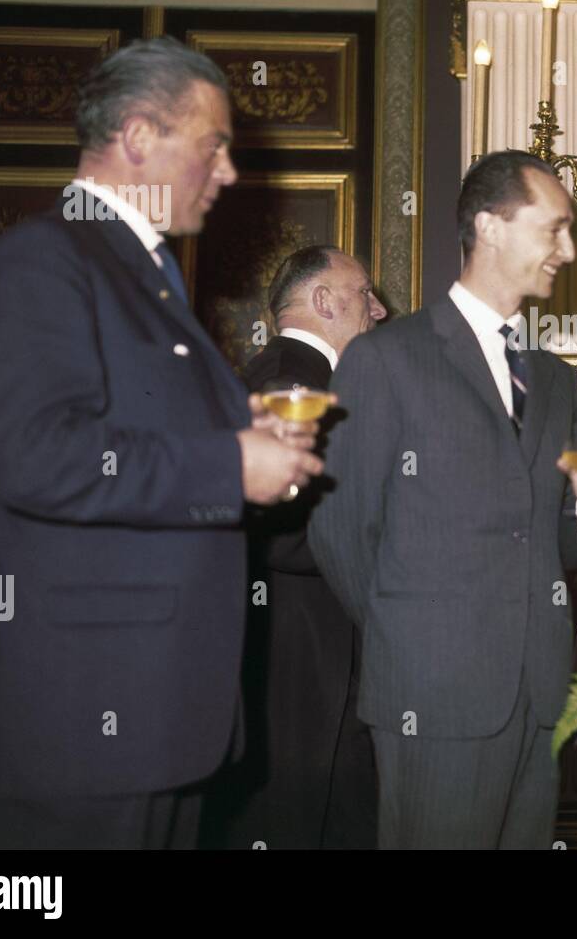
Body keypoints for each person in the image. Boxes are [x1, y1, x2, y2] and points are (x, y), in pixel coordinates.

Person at [0, 36, 322, 850]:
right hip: (68, 728)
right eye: (213, 146)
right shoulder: (44, 258)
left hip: (149, 718)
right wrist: (229, 463)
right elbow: (36, 454)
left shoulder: (142, 274)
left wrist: (251, 445)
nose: (229, 173)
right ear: (139, 137)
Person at [308, 149, 577, 849]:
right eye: (555, 229)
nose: (570, 250)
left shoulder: (553, 382)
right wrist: (416, 641)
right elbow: (339, 530)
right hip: (431, 698)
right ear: (489, 226)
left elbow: (553, 541)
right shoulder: (387, 359)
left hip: (541, 696)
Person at [229, 247, 385, 849]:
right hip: (302, 654)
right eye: (365, 292)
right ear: (324, 301)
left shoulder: (292, 375)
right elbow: (283, 531)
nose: (378, 309)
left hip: (314, 654)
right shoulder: (295, 386)